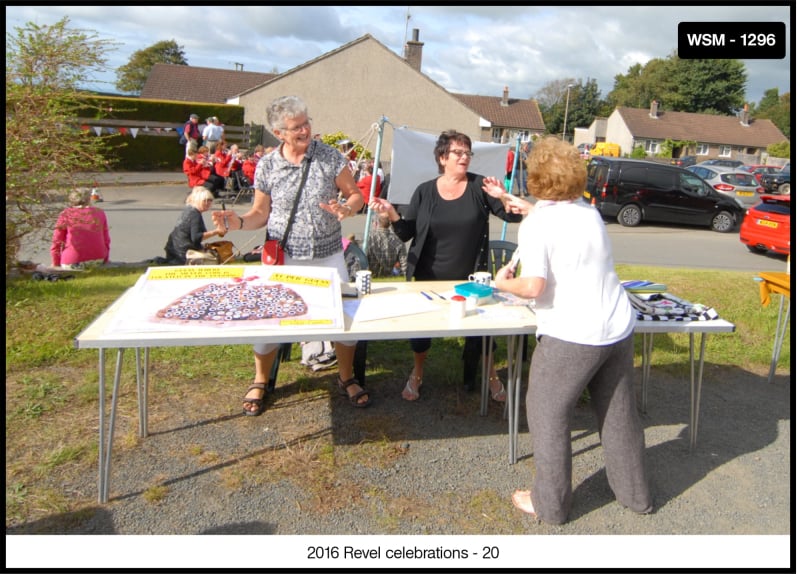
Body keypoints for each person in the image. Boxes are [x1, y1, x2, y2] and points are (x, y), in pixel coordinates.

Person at [491, 136, 652, 525]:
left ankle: (550, 505)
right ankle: (636, 496)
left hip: (572, 334)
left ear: (536, 178)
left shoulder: (539, 225)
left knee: (546, 412)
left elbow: (532, 287)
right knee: (618, 413)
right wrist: (530, 210)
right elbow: (560, 219)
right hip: (616, 328)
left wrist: (500, 282)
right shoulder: (588, 212)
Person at [212, 95, 370, 416]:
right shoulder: (268, 165)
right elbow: (259, 214)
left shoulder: (329, 157)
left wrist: (346, 207)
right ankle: (260, 380)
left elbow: (355, 195)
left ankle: (345, 377)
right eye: (296, 127)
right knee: (270, 321)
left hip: (327, 255)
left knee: (343, 319)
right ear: (279, 132)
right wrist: (238, 222)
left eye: (306, 122)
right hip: (284, 257)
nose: (305, 130)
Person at [369, 130, 522, 401]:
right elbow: (406, 233)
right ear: (442, 157)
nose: (464, 157)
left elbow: (512, 217)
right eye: (458, 153)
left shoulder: (479, 186)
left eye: (467, 153)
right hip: (428, 278)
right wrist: (392, 213)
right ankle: (417, 374)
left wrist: (502, 195)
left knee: (483, 332)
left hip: (470, 278)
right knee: (421, 333)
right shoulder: (425, 191)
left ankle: (491, 376)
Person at [163, 186, 227, 264]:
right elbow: (197, 238)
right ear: (197, 201)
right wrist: (216, 231)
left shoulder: (189, 210)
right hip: (184, 255)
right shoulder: (195, 215)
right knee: (218, 255)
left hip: (173, 252)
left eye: (210, 200)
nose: (208, 203)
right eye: (205, 200)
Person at [50, 188, 111, 269]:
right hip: (98, 259)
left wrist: (56, 262)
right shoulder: (99, 212)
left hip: (72, 260)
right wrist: (105, 258)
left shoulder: (66, 214)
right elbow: (106, 239)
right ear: (89, 199)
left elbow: (57, 240)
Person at [366, 212, 407, 277]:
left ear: (376, 223)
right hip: (388, 277)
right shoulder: (398, 241)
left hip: (370, 276)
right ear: (390, 223)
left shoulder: (368, 239)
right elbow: (404, 265)